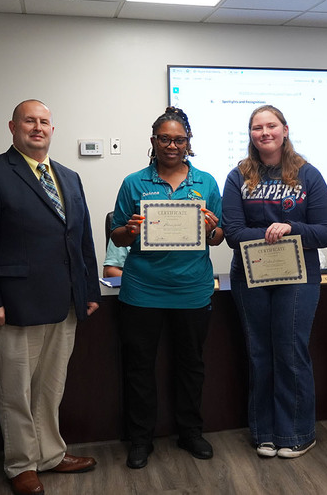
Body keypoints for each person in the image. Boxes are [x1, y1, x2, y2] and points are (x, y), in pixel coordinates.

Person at [0, 99, 101, 495]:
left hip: (65, 303)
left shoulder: (69, 176)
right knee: (16, 390)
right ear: (12, 127)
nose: (37, 127)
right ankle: (21, 463)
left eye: (44, 122)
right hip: (14, 305)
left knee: (51, 387)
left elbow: (81, 238)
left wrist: (88, 289)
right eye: (29, 121)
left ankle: (51, 454)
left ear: (52, 129)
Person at [110, 106, 224, 469]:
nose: (172, 145)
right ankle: (141, 439)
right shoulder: (134, 182)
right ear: (153, 142)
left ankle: (190, 432)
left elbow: (219, 236)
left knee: (191, 365)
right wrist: (130, 229)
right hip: (143, 290)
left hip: (192, 289)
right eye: (165, 139)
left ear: (189, 143)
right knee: (139, 367)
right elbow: (117, 235)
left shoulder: (205, 182)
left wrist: (210, 228)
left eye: (179, 139)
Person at [222, 105, 327, 459]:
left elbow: (326, 232)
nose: (264, 132)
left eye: (271, 126)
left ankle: (298, 432)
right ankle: (265, 432)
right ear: (251, 134)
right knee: (259, 352)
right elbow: (232, 233)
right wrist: (267, 235)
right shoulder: (237, 176)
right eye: (257, 128)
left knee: (290, 350)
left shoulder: (308, 174)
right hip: (252, 276)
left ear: (285, 130)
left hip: (297, 278)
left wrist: (291, 228)